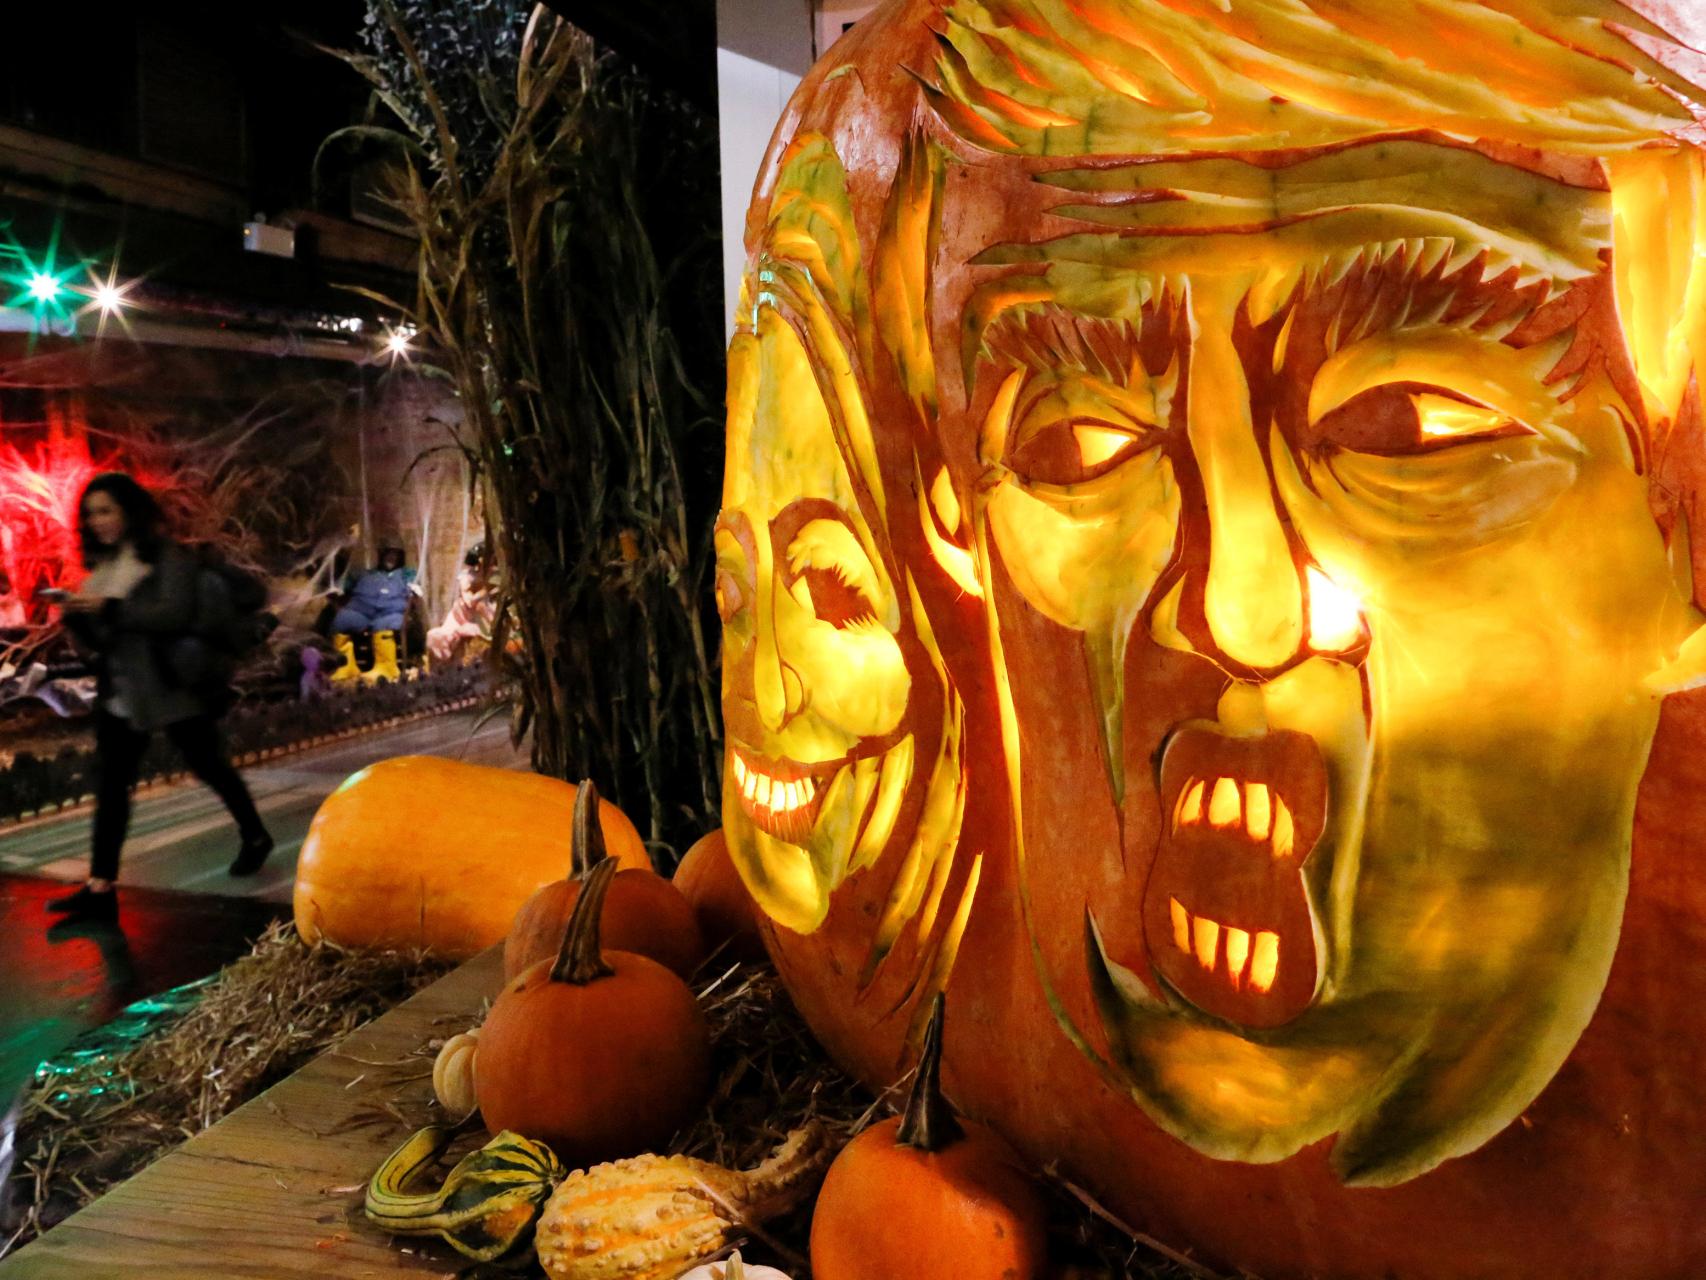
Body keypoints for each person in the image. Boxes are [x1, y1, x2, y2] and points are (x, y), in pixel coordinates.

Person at [48, 473, 273, 922]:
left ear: (130, 511)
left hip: (170, 686)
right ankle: (100, 887)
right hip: (122, 692)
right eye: (91, 514)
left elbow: (172, 614)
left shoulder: (169, 557)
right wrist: (76, 616)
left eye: (107, 510)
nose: (98, 521)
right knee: (112, 785)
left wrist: (109, 608)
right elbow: (103, 639)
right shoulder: (104, 565)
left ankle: (255, 834)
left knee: (209, 766)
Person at [328, 543, 418, 682]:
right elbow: (344, 586)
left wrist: (414, 590)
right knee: (342, 620)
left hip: (390, 613)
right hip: (362, 611)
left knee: (384, 625)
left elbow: (415, 587)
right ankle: (344, 665)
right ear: (382, 555)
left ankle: (385, 667)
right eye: (388, 553)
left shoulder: (404, 574)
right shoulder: (367, 574)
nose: (391, 558)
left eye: (395, 554)